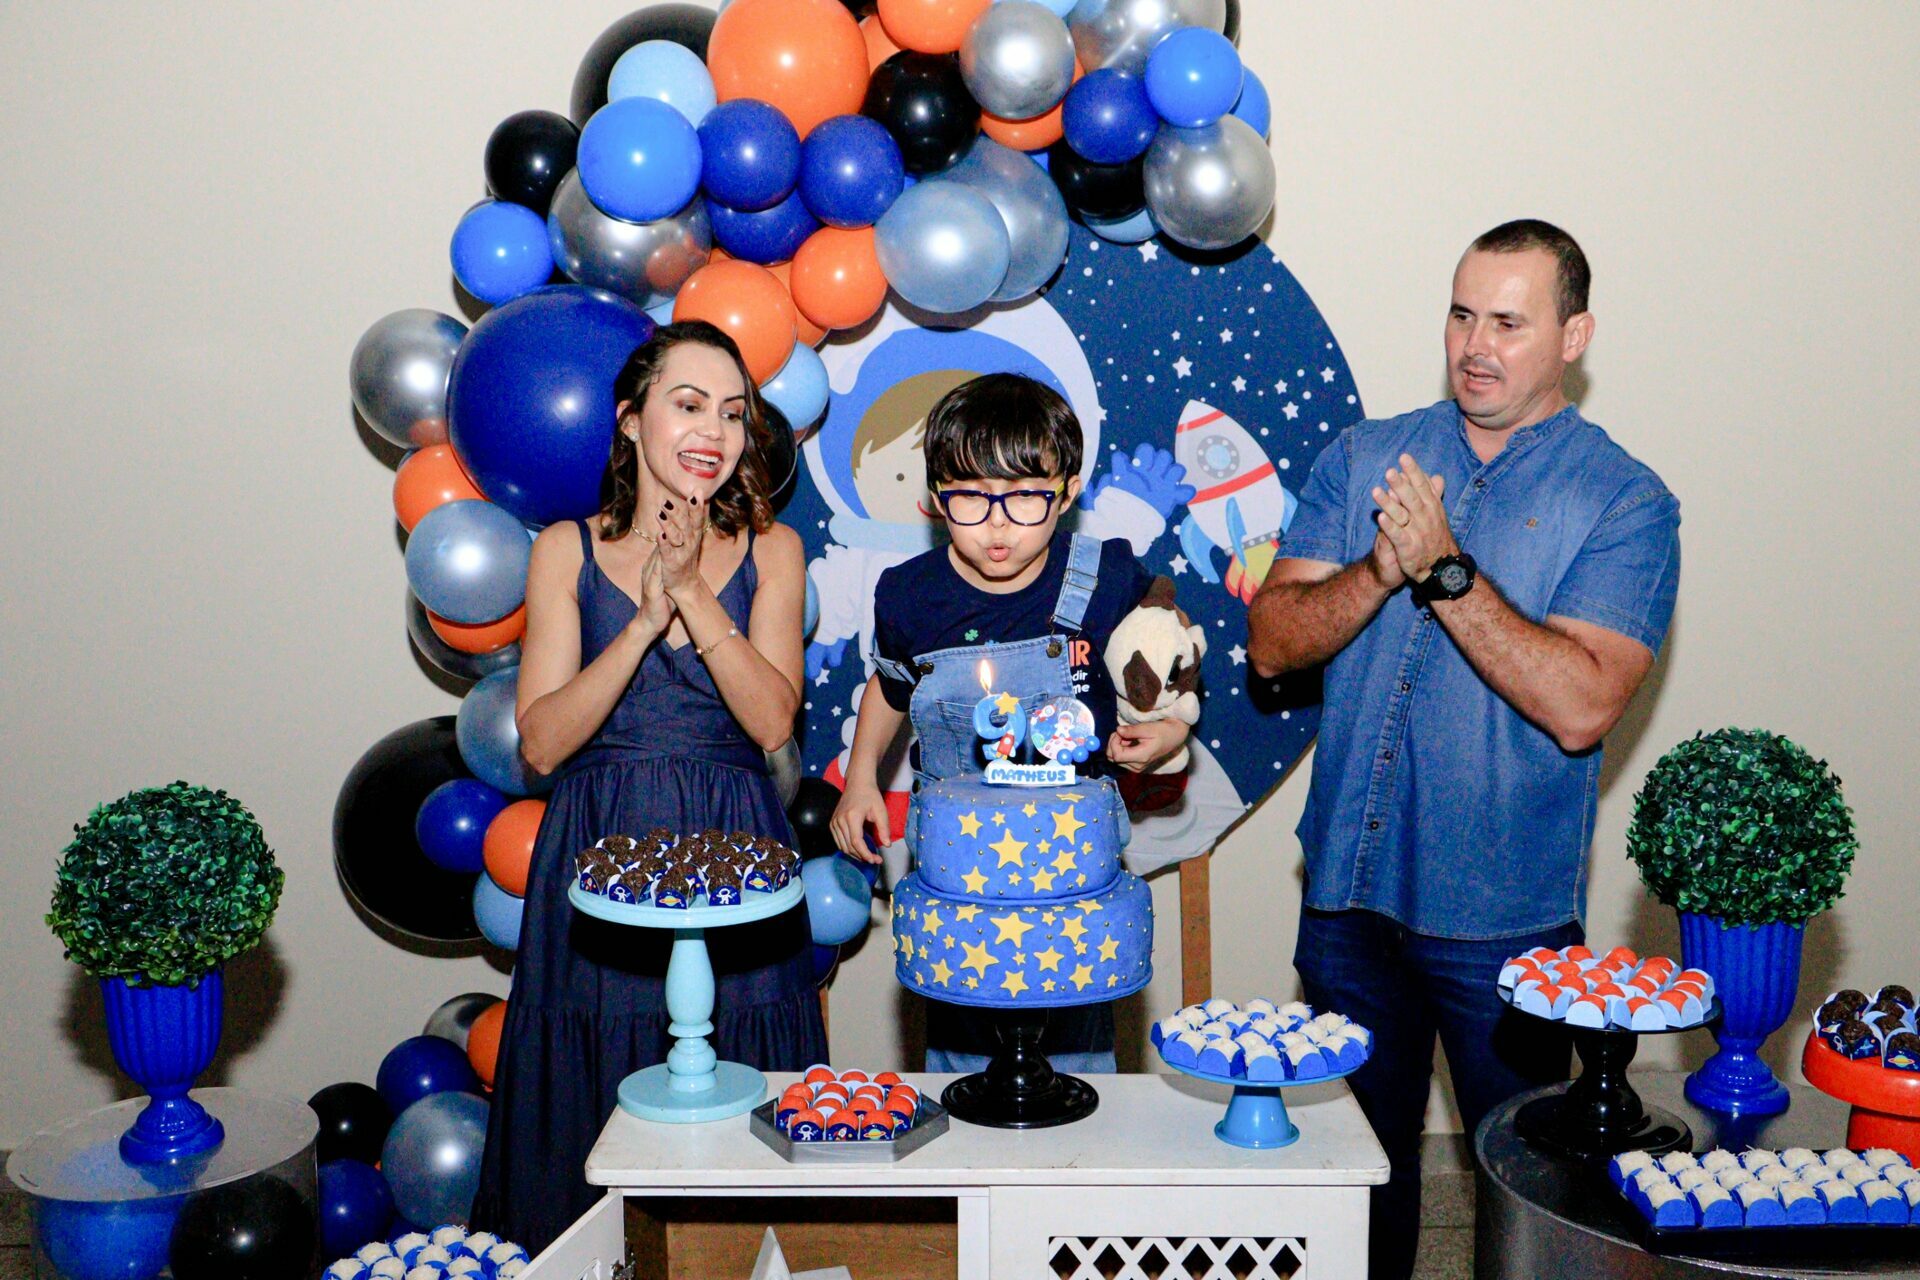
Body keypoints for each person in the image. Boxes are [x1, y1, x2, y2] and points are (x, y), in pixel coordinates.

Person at [1247, 220, 1680, 1280]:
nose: (1475, 345)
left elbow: (1581, 704)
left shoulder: (1626, 500)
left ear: (1574, 336)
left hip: (1508, 930)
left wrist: (1445, 572)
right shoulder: (1366, 457)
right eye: (1461, 314)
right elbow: (1273, 641)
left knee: (1528, 1205)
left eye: (1509, 322)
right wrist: (1378, 571)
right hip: (1347, 906)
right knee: (1354, 1192)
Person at [472, 321, 827, 1253]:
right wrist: (640, 621)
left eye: (734, 413)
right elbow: (542, 741)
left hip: (736, 846)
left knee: (743, 1105)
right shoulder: (564, 549)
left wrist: (696, 594)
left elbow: (772, 722)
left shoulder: (775, 551)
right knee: (590, 1105)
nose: (715, 429)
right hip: (599, 852)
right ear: (631, 421)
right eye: (689, 403)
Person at [829, 373, 1192, 1074]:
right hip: (960, 888)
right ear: (935, 496)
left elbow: (1167, 649)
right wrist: (861, 779)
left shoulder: (1106, 577)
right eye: (970, 496)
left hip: (1073, 890)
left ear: (1067, 491)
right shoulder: (909, 595)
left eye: (1025, 496)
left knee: (1079, 1071)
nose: (997, 524)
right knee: (964, 1067)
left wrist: (1170, 727)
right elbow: (892, 688)